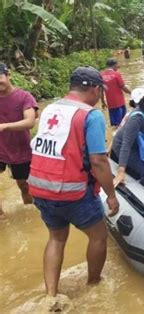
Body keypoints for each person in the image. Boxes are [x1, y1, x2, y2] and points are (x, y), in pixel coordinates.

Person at [28, 66, 119, 297]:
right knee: (98, 236)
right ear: (96, 89)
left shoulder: (50, 109)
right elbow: (98, 160)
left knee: (56, 238)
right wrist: (111, 195)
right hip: (73, 192)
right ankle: (94, 285)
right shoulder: (91, 115)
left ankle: (50, 296)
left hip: (40, 188)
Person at [0, 62, 37, 219]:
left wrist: (4, 127)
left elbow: (30, 122)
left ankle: (29, 215)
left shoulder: (24, 97)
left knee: (24, 185)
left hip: (20, 149)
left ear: (8, 75)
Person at [100, 58, 131, 128]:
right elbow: (123, 87)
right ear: (114, 65)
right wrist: (131, 93)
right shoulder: (116, 74)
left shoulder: (101, 75)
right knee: (123, 123)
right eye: (117, 65)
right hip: (120, 103)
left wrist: (102, 102)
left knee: (115, 125)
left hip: (110, 104)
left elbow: (101, 91)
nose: (118, 66)